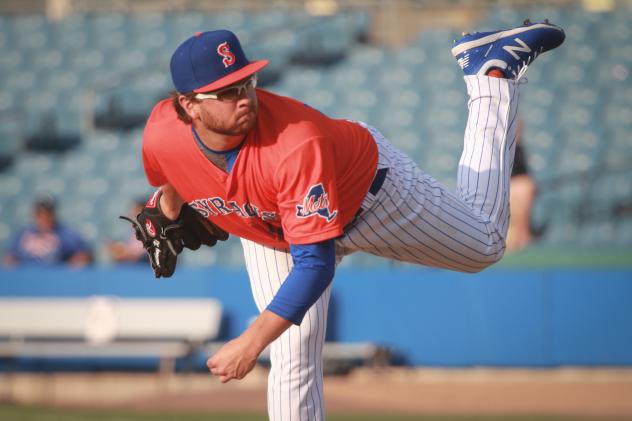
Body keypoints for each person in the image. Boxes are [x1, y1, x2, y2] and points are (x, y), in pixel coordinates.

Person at [139, 22, 565, 420]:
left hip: (370, 194)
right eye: (227, 91)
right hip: (277, 227)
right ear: (189, 106)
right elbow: (170, 174)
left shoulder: (294, 143)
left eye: (248, 81)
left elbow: (315, 266)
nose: (245, 96)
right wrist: (171, 205)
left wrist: (249, 343)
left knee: (487, 244)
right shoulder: (160, 132)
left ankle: (491, 76)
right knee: (293, 344)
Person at [4, 197, 92, 267]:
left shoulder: (66, 234)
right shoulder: (23, 235)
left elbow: (83, 255)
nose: (44, 217)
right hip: (25, 280)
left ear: (54, 214)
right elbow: (10, 257)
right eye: (40, 213)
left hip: (55, 281)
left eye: (48, 213)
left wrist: (70, 265)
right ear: (35, 215)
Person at [507, 121, 538, 251]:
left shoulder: (519, 148)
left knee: (526, 187)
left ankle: (522, 236)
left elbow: (524, 173)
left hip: (518, 187)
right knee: (524, 188)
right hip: (511, 187)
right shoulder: (505, 148)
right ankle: (517, 236)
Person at [107, 199, 148, 264]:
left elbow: (149, 253)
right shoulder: (131, 231)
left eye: (136, 211)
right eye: (132, 211)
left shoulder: (151, 231)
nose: (132, 214)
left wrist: (128, 254)